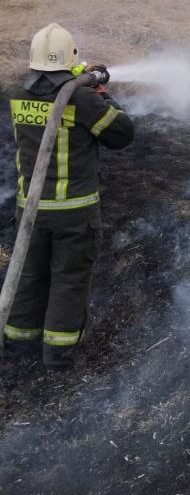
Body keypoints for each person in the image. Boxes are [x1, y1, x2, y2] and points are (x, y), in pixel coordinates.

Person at [3, 23, 134, 368]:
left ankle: (18, 347)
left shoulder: (19, 94)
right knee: (69, 279)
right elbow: (121, 133)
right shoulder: (83, 98)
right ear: (71, 59)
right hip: (73, 214)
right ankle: (59, 357)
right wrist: (102, 92)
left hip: (29, 211)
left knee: (28, 276)